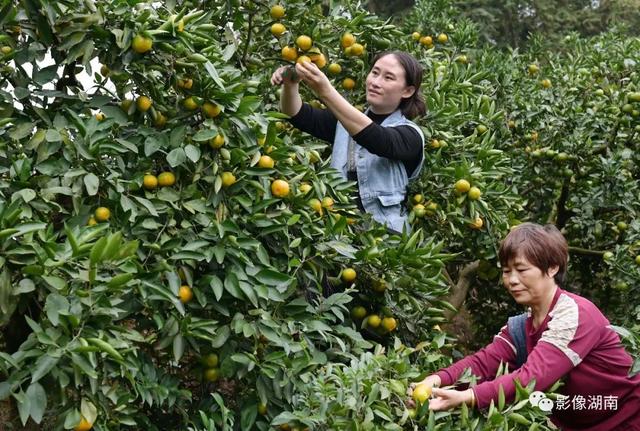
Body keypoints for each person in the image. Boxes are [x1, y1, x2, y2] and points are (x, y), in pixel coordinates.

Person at [409, 223, 640, 430]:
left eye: (521, 269)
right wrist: (435, 380)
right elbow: (484, 362)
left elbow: (533, 377)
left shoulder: (576, 315)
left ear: (552, 268)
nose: (512, 280)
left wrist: (468, 396)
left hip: (627, 420)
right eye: (506, 271)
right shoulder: (522, 326)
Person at [270, 51, 426, 233]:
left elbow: (377, 139)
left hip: (385, 242)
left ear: (407, 90)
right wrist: (290, 85)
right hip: (339, 236)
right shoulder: (343, 123)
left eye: (388, 78)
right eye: (374, 73)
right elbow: (297, 115)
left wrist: (325, 91)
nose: (376, 82)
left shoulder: (410, 136)